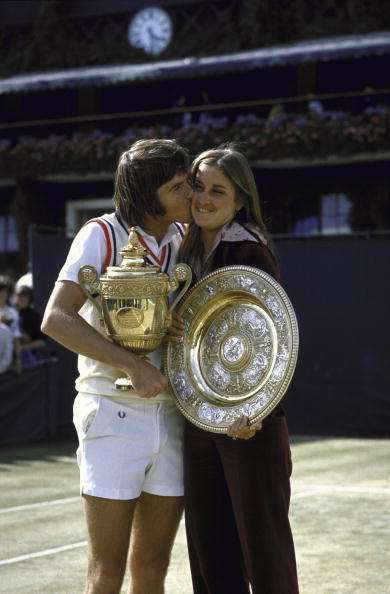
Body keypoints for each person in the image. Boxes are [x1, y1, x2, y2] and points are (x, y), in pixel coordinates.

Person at [41, 138, 191, 594]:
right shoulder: (100, 234)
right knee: (107, 571)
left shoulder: (184, 238)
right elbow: (56, 318)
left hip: (172, 415)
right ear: (149, 196)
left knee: (152, 567)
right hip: (111, 412)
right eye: (178, 186)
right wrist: (134, 365)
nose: (190, 193)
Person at [178, 146, 299, 593]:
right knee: (210, 555)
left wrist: (257, 411)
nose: (204, 199)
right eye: (198, 188)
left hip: (250, 426)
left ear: (240, 200)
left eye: (218, 191)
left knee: (264, 556)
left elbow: (274, 341)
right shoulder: (188, 249)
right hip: (199, 422)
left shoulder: (248, 249)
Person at [14, 285, 46, 369]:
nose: (22, 299)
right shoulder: (10, 313)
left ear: (30, 299)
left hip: (28, 360)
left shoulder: (35, 317)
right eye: (20, 296)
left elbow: (42, 342)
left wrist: (23, 347)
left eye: (25, 296)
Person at [0, 275, 21, 373]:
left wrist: (18, 360)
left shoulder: (12, 312)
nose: (2, 294)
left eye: (4, 291)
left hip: (7, 356)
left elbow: (16, 337)